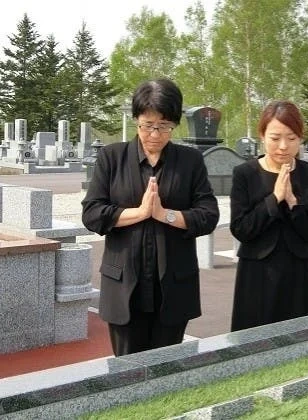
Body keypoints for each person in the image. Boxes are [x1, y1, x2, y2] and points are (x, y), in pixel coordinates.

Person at [82, 78, 219, 356]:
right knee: (126, 369)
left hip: (173, 285)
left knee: (166, 369)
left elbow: (208, 215)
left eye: (164, 126)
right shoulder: (112, 158)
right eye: (148, 125)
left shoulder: (190, 162)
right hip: (123, 286)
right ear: (136, 120)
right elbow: (92, 214)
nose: (155, 134)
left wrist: (164, 215)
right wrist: (141, 213)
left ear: (174, 124)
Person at [229, 100, 308, 331]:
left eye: (292, 138)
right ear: (262, 136)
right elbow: (241, 228)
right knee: (252, 339)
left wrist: (293, 201)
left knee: (297, 338)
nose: (283, 146)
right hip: (257, 272)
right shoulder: (245, 173)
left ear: (300, 138)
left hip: (297, 271)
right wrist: (274, 199)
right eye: (275, 138)